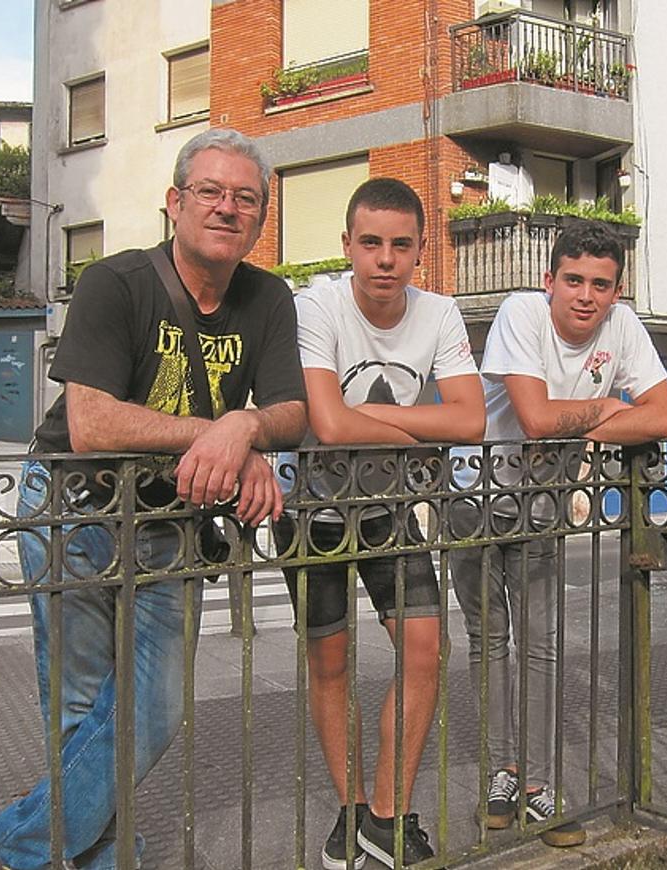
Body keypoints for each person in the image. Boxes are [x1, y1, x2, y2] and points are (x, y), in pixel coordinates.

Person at [0, 128, 308, 870]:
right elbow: (92, 424)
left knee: (153, 707)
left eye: (245, 198)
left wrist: (247, 426)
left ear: (260, 217)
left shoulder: (268, 297)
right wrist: (220, 439)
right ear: (175, 203)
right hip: (73, 507)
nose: (227, 208)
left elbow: (293, 410)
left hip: (168, 524)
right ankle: (94, 850)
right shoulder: (114, 282)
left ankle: (16, 842)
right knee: (82, 703)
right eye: (211, 192)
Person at [274, 177, 484, 869]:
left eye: (400, 245)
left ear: (421, 250)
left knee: (425, 649)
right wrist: (421, 432)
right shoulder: (317, 304)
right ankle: (350, 812)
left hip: (388, 510)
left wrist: (369, 425)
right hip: (312, 511)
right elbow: (325, 425)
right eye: (371, 243)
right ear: (347, 246)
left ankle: (387, 819)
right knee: (330, 665)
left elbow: (472, 420)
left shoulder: (441, 313)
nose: (385, 259)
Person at [448, 221, 667, 846]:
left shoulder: (623, 327)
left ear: (616, 289)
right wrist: (607, 410)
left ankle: (542, 786)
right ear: (549, 280)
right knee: (488, 640)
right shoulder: (520, 312)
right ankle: (501, 772)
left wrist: (597, 419)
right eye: (573, 280)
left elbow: (666, 415)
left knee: (543, 644)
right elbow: (535, 417)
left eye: (600, 285)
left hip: (540, 504)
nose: (586, 296)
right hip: (472, 495)